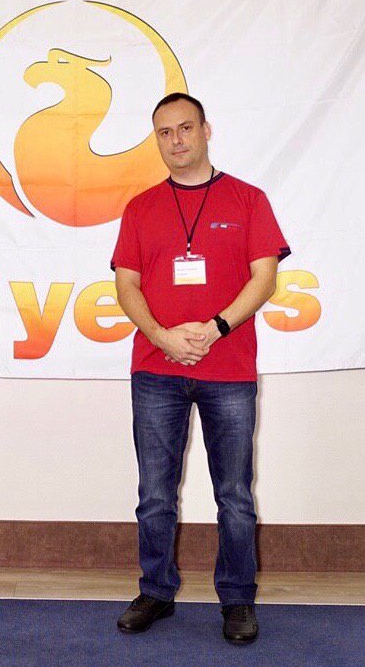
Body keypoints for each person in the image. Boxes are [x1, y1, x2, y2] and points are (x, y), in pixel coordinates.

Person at [112, 92, 290, 644]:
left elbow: (264, 278)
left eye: (185, 128)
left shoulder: (248, 199)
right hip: (156, 368)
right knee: (154, 495)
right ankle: (156, 591)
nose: (176, 140)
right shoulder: (140, 208)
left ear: (206, 130)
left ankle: (237, 599)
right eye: (164, 132)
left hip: (228, 368)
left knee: (234, 495)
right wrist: (162, 335)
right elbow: (126, 284)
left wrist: (216, 328)